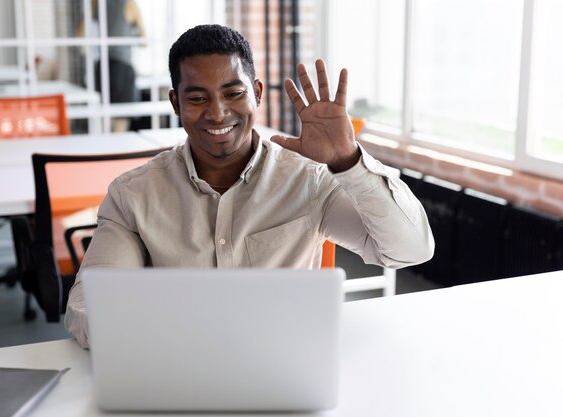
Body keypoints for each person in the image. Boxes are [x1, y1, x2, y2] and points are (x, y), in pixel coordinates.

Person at [65, 24, 434, 348]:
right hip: (178, 369)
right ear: (175, 103)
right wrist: (136, 328)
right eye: (197, 98)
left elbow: (407, 251)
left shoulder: (309, 178)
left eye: (233, 93)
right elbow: (88, 305)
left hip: (284, 369)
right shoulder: (133, 195)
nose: (218, 112)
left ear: (257, 92)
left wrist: (347, 162)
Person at [80, 0, 146, 132]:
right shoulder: (130, 4)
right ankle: (116, 151)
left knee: (106, 118)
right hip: (122, 68)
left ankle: (105, 150)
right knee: (121, 120)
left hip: (102, 67)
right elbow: (144, 40)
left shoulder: (97, 2)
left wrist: (86, 50)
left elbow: (80, 34)